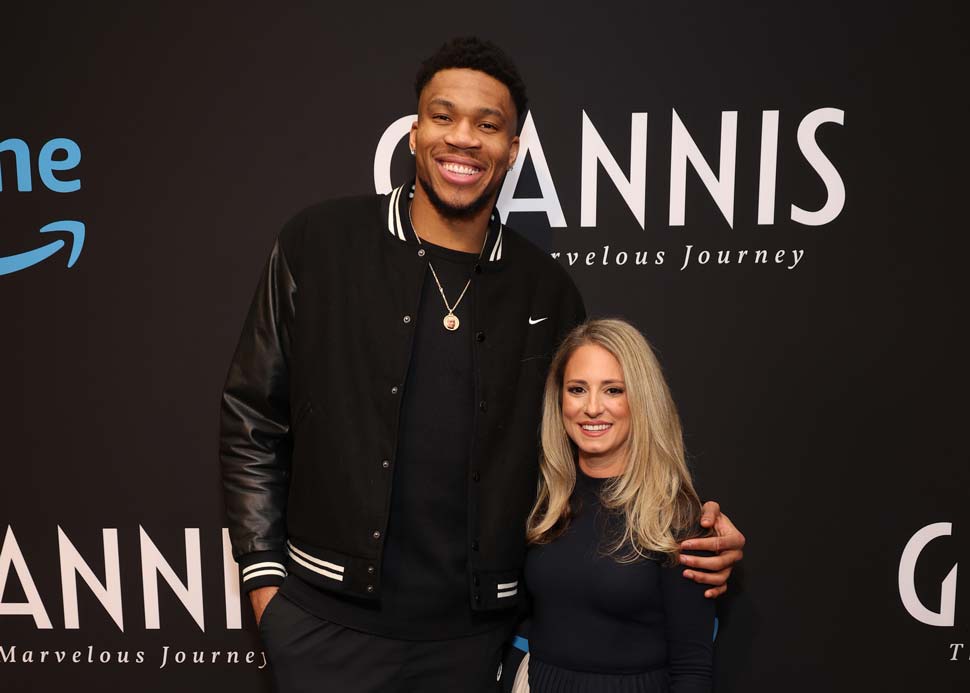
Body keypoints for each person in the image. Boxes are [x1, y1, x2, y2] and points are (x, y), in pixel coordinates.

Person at [220, 37, 742, 693]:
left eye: (488, 125)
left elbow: (581, 453)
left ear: (512, 149)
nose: (463, 139)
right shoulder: (318, 243)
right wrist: (265, 580)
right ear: (415, 133)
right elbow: (252, 415)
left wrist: (687, 533)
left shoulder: (546, 291)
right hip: (323, 627)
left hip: (471, 645)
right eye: (444, 116)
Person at [518, 319, 714, 692]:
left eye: (613, 390)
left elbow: (692, 666)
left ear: (641, 399)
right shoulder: (540, 500)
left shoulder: (676, 515)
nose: (592, 408)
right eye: (577, 389)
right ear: (559, 399)